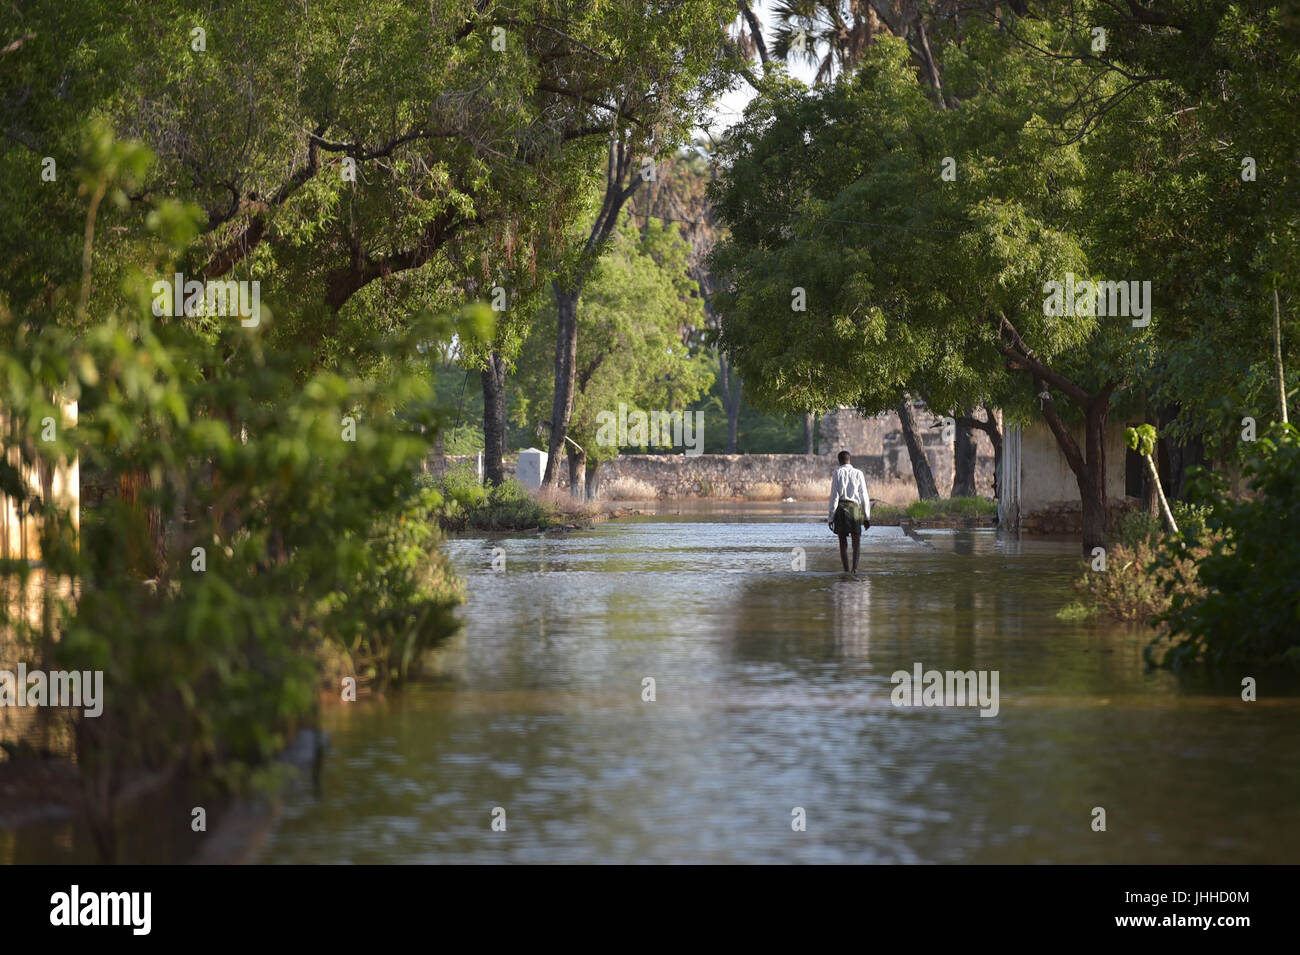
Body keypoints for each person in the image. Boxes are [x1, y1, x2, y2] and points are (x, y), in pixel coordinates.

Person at [827, 450, 871, 575]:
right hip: (855, 509)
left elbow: (834, 497)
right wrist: (867, 516)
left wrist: (830, 517)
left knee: (842, 542)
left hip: (841, 509)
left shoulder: (837, 473)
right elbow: (864, 496)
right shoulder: (859, 473)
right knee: (856, 541)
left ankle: (846, 570)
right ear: (849, 460)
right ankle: (854, 569)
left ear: (839, 460)